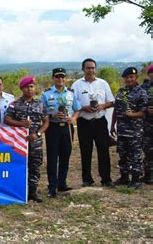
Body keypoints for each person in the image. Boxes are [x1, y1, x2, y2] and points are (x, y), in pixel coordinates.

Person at [71, 58, 115, 187]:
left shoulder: (103, 83)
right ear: (83, 69)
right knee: (85, 151)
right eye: (88, 68)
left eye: (92, 67)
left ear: (95, 69)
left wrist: (102, 106)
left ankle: (106, 179)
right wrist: (83, 107)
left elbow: (111, 101)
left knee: (103, 150)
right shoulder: (76, 85)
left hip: (100, 121)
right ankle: (87, 179)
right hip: (84, 122)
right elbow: (73, 104)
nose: (90, 70)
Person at [5, 76, 49, 202]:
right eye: (27, 87)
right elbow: (7, 120)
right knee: (18, 165)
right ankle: (18, 191)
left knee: (35, 166)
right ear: (22, 89)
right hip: (19, 142)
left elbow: (46, 122)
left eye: (31, 86)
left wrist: (38, 134)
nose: (30, 89)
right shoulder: (15, 104)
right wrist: (21, 124)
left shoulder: (40, 104)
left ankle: (33, 192)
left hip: (36, 142)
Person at [41, 68, 81, 198]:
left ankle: (62, 183)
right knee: (52, 158)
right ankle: (52, 186)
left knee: (65, 155)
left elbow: (77, 109)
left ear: (65, 78)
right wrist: (51, 116)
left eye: (63, 77)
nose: (60, 79)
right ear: (53, 78)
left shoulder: (70, 94)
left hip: (67, 128)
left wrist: (74, 118)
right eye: (57, 77)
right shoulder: (46, 95)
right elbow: (41, 112)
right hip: (53, 128)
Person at [110, 67, 148, 189]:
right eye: (126, 77)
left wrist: (133, 115)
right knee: (123, 154)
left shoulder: (141, 92)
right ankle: (124, 177)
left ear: (136, 77)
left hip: (134, 131)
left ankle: (136, 180)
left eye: (131, 77)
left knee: (135, 155)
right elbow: (116, 109)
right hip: (121, 130)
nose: (129, 79)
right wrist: (112, 125)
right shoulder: (121, 91)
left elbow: (144, 112)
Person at [141, 64, 153, 184]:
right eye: (152, 72)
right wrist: (145, 110)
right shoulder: (143, 87)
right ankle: (148, 175)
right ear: (149, 74)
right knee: (148, 150)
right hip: (147, 125)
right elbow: (136, 102)